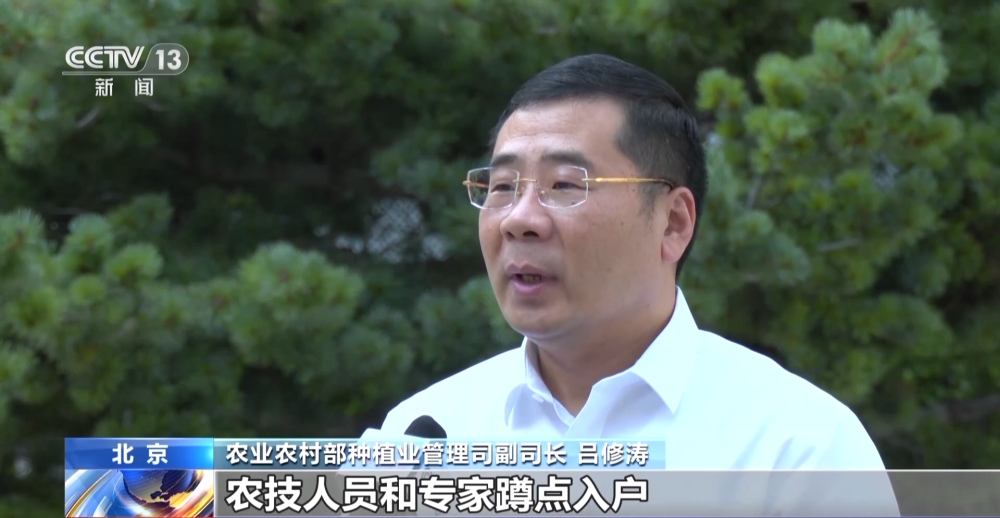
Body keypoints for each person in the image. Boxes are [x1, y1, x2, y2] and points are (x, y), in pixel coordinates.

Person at [380, 54, 889, 473]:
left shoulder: (795, 449)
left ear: (672, 223)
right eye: (502, 187)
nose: (519, 219)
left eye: (565, 184)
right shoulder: (423, 434)